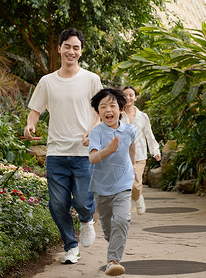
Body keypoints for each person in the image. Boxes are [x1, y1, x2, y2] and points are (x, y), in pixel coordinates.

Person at [24, 27, 102, 264]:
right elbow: (35, 111)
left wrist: (93, 129)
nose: (71, 51)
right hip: (56, 153)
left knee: (81, 201)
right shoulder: (47, 81)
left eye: (75, 47)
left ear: (81, 51)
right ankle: (71, 246)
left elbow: (101, 111)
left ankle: (87, 219)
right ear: (59, 49)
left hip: (83, 152)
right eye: (66, 46)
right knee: (58, 204)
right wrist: (30, 126)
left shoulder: (91, 79)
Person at [88, 88, 137, 276]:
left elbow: (131, 147)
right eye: (103, 107)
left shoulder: (130, 130)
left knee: (122, 220)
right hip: (101, 187)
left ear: (121, 109)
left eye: (112, 105)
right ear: (98, 112)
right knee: (109, 228)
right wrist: (108, 150)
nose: (108, 110)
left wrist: (133, 166)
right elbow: (92, 159)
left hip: (123, 183)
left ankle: (113, 261)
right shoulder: (96, 133)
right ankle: (114, 240)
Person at [121, 86, 161, 215]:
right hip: (122, 156)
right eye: (125, 95)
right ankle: (125, 211)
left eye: (131, 95)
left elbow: (149, 135)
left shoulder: (143, 116)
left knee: (135, 185)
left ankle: (138, 197)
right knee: (125, 185)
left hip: (139, 156)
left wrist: (155, 151)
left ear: (135, 97)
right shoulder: (118, 116)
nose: (128, 98)